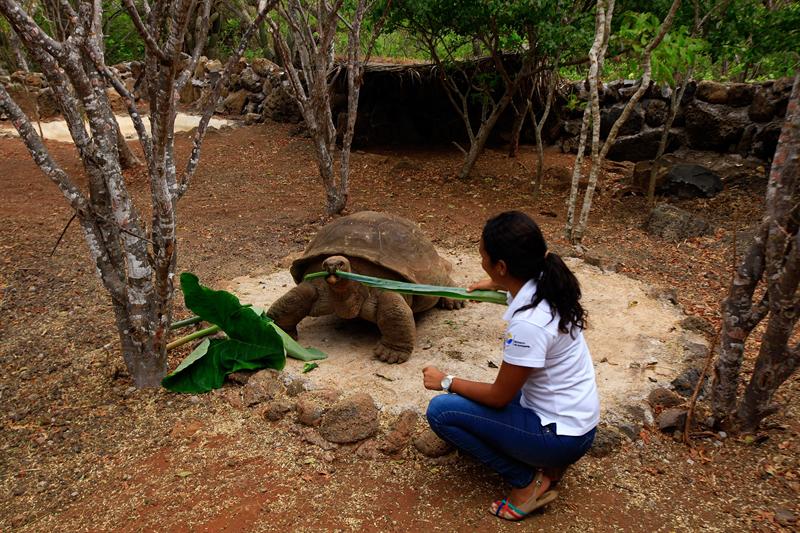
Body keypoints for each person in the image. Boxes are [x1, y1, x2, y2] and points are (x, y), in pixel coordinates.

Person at [422, 210, 599, 522]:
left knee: (443, 410)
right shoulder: (548, 279)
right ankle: (549, 466)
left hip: (560, 438)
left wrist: (445, 380)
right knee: (475, 396)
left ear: (503, 265)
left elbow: (498, 398)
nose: (481, 260)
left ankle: (526, 481)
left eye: (483, 256)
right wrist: (496, 282)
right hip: (576, 422)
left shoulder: (529, 325)